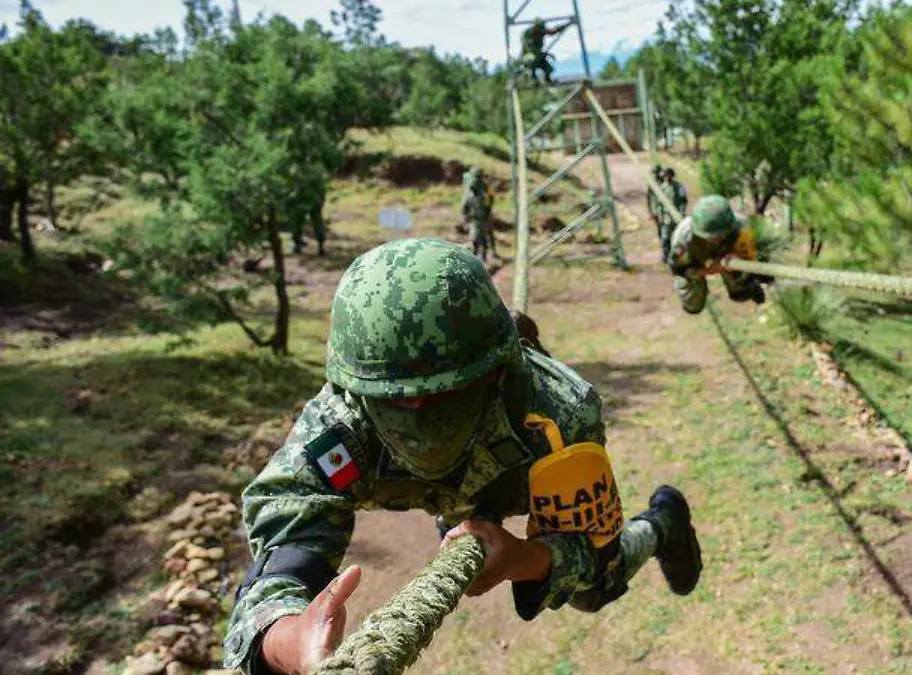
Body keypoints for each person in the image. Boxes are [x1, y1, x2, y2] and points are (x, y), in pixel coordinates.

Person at [222, 238, 703, 674]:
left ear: (497, 374)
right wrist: (288, 640)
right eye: (396, 402)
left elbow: (593, 556)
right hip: (453, 500)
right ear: (357, 391)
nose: (419, 421)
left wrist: (522, 559)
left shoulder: (555, 412)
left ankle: (664, 523)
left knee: (595, 591)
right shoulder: (338, 429)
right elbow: (285, 555)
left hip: (519, 478)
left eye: (445, 396)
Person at [667, 195, 773, 314]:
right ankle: (696, 298)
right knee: (692, 304)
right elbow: (680, 270)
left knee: (742, 290)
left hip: (727, 256)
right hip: (694, 261)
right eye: (712, 237)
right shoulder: (683, 240)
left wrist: (740, 260)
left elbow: (757, 257)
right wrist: (713, 269)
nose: (716, 240)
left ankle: (742, 288)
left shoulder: (741, 228)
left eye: (721, 235)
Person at [461, 168, 495, 263]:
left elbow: (489, 204)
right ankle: (476, 258)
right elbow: (464, 208)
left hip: (482, 219)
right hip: (476, 220)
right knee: (477, 240)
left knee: (482, 240)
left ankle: (482, 258)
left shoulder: (484, 191)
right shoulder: (472, 194)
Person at [522, 18, 569, 85]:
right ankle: (533, 80)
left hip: (539, 56)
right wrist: (547, 54)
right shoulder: (528, 33)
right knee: (532, 61)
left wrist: (563, 26)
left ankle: (547, 80)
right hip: (529, 56)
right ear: (535, 26)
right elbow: (531, 49)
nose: (541, 30)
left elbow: (551, 32)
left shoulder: (540, 30)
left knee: (549, 69)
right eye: (540, 28)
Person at [658, 168, 688, 264]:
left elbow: (684, 200)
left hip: (677, 217)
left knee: (677, 238)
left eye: (668, 176)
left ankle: (676, 256)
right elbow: (659, 203)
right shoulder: (662, 188)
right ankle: (665, 255)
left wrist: (681, 212)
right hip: (666, 217)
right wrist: (660, 215)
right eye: (665, 176)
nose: (667, 178)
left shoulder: (679, 187)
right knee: (665, 238)